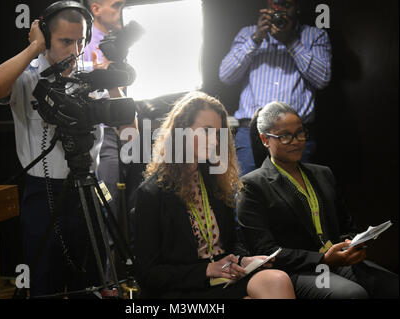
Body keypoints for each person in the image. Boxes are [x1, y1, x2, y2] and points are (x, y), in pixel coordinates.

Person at [0, 1, 120, 297]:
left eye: (81, 41)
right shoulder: (27, 75)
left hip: (88, 189)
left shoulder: (90, 76)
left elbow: (127, 124)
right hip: (42, 193)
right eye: (65, 41)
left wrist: (111, 79)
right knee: (44, 284)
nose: (74, 50)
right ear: (46, 36)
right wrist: (35, 48)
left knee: (94, 286)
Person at [134, 91, 295, 299]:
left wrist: (241, 259)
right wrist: (207, 270)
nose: (214, 141)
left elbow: (231, 242)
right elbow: (148, 274)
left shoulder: (213, 180)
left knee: (278, 279)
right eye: (206, 131)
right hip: (184, 287)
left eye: (217, 133)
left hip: (223, 277)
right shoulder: (151, 193)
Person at [237, 101, 399, 299]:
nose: (296, 141)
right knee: (352, 295)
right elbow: (265, 251)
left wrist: (352, 243)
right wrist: (322, 259)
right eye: (285, 136)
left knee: (392, 286)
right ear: (265, 139)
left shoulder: (323, 174)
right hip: (296, 270)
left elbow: (345, 226)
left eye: (299, 133)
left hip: (337, 261)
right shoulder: (252, 185)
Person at [219, 0, 332, 175]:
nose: (280, 13)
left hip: (294, 133)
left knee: (295, 196)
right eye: (275, 7)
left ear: (297, 8)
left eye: (286, 6)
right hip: (250, 132)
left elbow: (323, 79)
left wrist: (290, 42)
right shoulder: (248, 34)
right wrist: (256, 39)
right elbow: (225, 75)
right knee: (246, 193)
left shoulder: (314, 36)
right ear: (266, 7)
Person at [83, 0, 142, 251]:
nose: (122, 12)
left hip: (136, 127)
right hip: (103, 134)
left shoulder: (127, 40)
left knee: (138, 204)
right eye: (116, 6)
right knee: (108, 205)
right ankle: (110, 280)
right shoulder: (83, 43)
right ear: (96, 9)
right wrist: (103, 74)